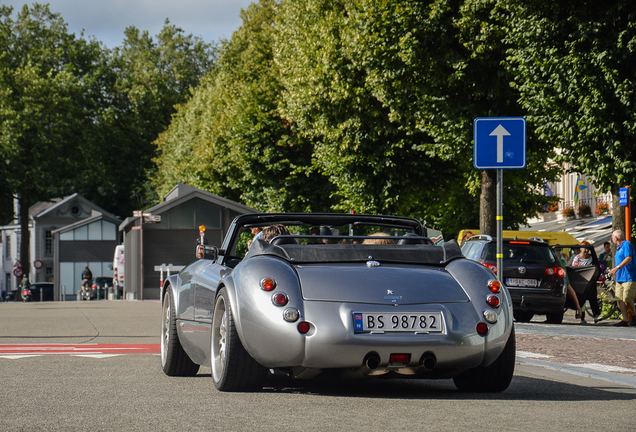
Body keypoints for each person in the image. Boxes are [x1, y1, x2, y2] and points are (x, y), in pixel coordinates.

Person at [608, 229, 636, 326]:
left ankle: (634, 315)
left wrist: (617, 267)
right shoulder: (618, 248)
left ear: (616, 238)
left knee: (627, 298)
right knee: (620, 298)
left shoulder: (627, 245)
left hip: (629, 276)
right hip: (620, 277)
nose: (613, 240)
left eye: (613, 238)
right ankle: (625, 319)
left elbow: (629, 258)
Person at [572, 241, 600, 323]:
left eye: (588, 248)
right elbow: (574, 269)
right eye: (584, 248)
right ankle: (582, 318)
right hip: (581, 282)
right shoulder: (577, 258)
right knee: (581, 300)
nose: (586, 250)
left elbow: (597, 267)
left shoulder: (592, 258)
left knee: (593, 299)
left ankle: (596, 316)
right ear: (581, 248)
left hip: (591, 282)